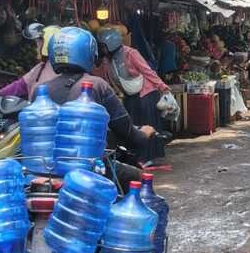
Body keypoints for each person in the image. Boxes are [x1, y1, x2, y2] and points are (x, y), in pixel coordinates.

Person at [42, 27, 155, 178]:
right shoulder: (97, 85)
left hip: (46, 168)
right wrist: (142, 135)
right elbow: (124, 129)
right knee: (139, 178)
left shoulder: (41, 89)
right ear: (88, 53)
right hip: (87, 167)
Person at [95, 29, 171, 163]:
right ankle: (137, 156)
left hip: (146, 93)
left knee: (147, 125)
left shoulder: (131, 53)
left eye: (103, 45)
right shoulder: (107, 60)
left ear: (111, 43)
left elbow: (147, 71)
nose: (102, 49)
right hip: (129, 96)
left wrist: (162, 87)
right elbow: (106, 77)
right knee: (133, 126)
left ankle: (148, 157)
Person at [0, 24, 60, 104]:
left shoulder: (59, 70)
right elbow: (21, 85)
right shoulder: (41, 67)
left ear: (46, 45)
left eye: (38, 44)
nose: (36, 48)